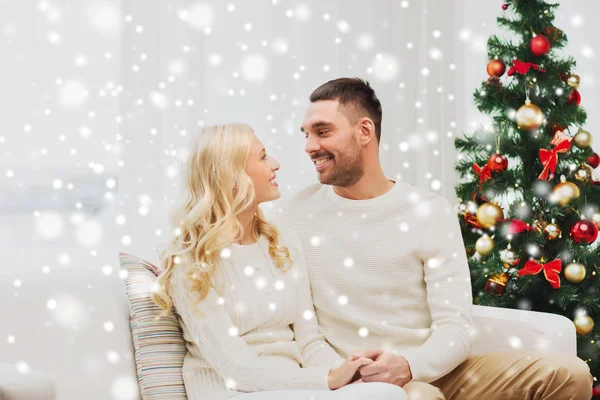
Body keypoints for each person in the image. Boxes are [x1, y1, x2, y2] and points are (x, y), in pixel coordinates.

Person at [278, 77, 594, 400]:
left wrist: (409, 366)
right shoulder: (293, 215)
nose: (309, 146)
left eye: (322, 131)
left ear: (364, 131)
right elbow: (304, 331)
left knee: (571, 375)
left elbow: (455, 326)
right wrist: (352, 378)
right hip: (359, 382)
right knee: (417, 396)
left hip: (435, 370)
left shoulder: (427, 212)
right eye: (306, 134)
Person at [151, 123, 407, 400]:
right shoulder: (190, 263)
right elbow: (237, 369)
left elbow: (310, 342)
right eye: (262, 157)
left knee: (385, 392)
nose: (275, 164)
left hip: (295, 389)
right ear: (232, 177)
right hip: (232, 392)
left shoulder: (283, 243)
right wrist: (329, 379)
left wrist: (348, 372)